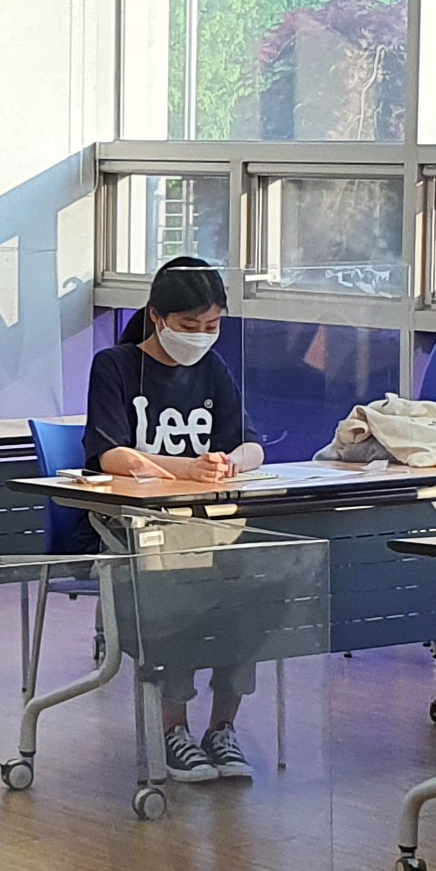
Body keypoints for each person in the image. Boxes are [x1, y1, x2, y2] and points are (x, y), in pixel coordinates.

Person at [81, 253, 266, 783]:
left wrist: (232, 463)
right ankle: (174, 729)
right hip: (142, 532)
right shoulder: (115, 367)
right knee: (179, 592)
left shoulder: (214, 369)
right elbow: (111, 455)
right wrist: (186, 469)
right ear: (158, 317)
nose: (201, 336)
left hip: (210, 525)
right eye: (189, 325)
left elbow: (252, 444)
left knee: (252, 592)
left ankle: (223, 727)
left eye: (212, 326)